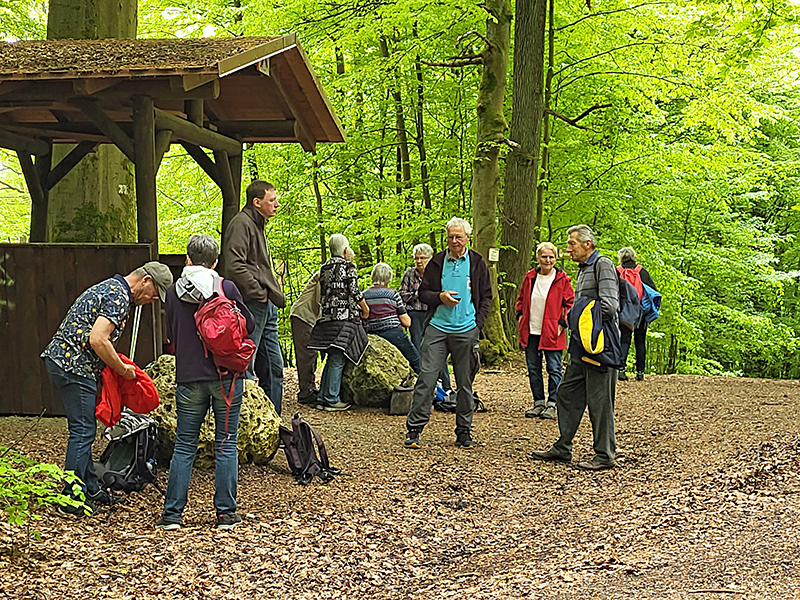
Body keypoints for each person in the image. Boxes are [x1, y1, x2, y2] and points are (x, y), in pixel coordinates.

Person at [41, 261, 172, 515]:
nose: (152, 300)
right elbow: (98, 339)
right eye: (154, 294)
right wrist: (123, 370)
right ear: (145, 280)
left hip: (64, 361)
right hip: (73, 365)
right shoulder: (118, 297)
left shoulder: (111, 288)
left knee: (85, 429)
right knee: (82, 432)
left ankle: (91, 488)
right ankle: (71, 498)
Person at [157, 235, 254, 531]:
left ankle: (173, 514)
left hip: (189, 376)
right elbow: (248, 324)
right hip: (226, 376)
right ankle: (226, 513)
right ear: (215, 262)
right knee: (226, 443)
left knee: (185, 445)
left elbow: (172, 332)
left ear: (187, 259)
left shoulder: (172, 292)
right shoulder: (226, 288)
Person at [532, 225, 619, 470]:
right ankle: (563, 447)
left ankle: (604, 455)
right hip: (581, 345)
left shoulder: (603, 265)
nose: (568, 249)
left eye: (572, 243)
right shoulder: (583, 269)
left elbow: (610, 306)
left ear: (587, 244)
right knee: (567, 392)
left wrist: (577, 316)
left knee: (600, 402)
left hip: (599, 346)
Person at [404, 217, 492, 450]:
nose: (454, 241)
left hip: (466, 329)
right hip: (438, 328)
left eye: (458, 237)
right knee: (427, 378)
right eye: (450, 237)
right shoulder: (436, 262)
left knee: (465, 383)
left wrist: (477, 325)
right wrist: (440, 297)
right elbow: (423, 294)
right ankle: (414, 430)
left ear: (467, 238)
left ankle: (464, 432)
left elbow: (486, 296)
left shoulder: (477, 262)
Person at [222, 180, 285, 415]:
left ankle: (274, 421)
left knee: (274, 367)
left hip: (266, 304)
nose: (276, 204)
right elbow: (234, 266)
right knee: (246, 364)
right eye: (272, 200)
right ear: (257, 202)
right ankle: (246, 421)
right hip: (252, 303)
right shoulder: (242, 224)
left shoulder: (257, 224)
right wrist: (259, 293)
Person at [307, 234, 369, 411]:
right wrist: (365, 308)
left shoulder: (324, 267)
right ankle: (332, 398)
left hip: (326, 317)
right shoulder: (348, 266)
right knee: (338, 357)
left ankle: (322, 397)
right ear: (345, 250)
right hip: (343, 317)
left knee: (332, 355)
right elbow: (354, 291)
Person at [289, 247, 356, 406]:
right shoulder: (327, 274)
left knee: (311, 354)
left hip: (310, 316)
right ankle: (306, 392)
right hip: (303, 315)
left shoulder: (330, 272)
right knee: (307, 355)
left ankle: (311, 390)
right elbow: (322, 298)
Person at [516, 242, 574, 421]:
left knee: (554, 368)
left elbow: (570, 304)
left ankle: (553, 403)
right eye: (544, 257)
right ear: (538, 258)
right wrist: (520, 316)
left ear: (555, 258)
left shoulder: (562, 279)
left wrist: (562, 324)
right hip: (531, 330)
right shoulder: (530, 277)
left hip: (552, 331)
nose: (548, 260)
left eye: (551, 257)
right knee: (533, 368)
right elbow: (521, 299)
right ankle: (538, 402)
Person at [400, 244, 451, 390]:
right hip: (415, 314)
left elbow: (442, 293)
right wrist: (420, 294)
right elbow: (403, 295)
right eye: (416, 258)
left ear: (430, 258)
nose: (419, 261)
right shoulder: (410, 274)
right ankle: (423, 383)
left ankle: (445, 386)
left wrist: (429, 296)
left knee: (438, 348)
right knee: (417, 346)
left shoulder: (438, 272)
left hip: (434, 314)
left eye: (422, 258)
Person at [363, 263, 420, 373]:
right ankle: (425, 382)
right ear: (389, 278)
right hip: (394, 334)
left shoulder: (364, 295)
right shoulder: (392, 294)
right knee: (416, 360)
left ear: (373, 276)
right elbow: (406, 322)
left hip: (372, 335)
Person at [617, 247, 657, 382]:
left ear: (621, 258)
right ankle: (640, 372)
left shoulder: (617, 271)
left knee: (624, 339)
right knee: (640, 341)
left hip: (624, 312)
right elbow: (653, 291)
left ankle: (621, 370)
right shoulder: (642, 271)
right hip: (641, 312)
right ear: (634, 257)